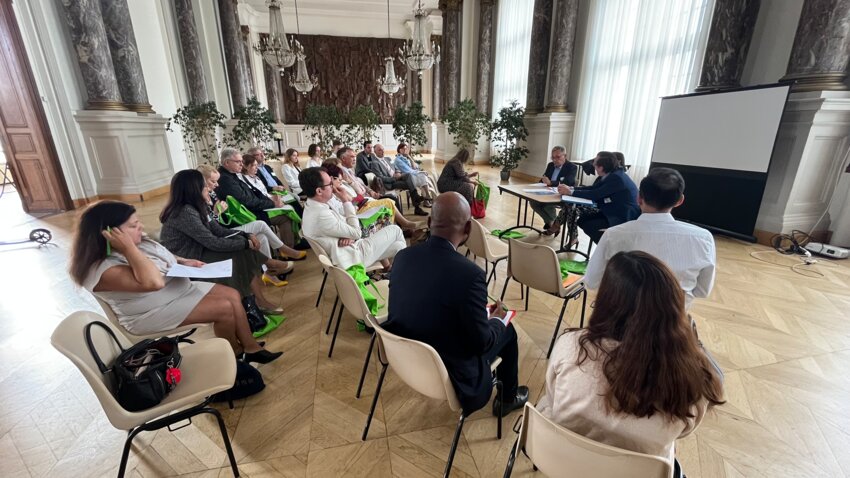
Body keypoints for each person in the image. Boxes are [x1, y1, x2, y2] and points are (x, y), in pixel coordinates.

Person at [537, 251, 724, 465]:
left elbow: (552, 395)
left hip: (561, 461)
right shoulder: (693, 377)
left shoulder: (570, 346)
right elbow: (684, 430)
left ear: (606, 300)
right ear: (673, 310)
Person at [69, 200, 282, 363]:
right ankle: (234, 354)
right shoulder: (103, 269)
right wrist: (128, 248)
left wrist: (182, 261)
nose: (140, 227)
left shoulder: (138, 244)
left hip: (176, 291)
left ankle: (251, 347)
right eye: (133, 225)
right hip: (149, 312)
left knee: (232, 294)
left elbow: (161, 256)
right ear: (109, 234)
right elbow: (154, 283)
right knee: (224, 308)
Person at [383, 192, 529, 416]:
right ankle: (507, 399)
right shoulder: (470, 275)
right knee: (507, 331)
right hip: (453, 376)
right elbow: (483, 344)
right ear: (468, 228)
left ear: (430, 222)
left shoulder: (403, 257)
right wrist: (497, 320)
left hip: (406, 360)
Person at [159, 170, 291, 313]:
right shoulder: (185, 212)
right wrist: (245, 243)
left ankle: (257, 298)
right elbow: (212, 242)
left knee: (241, 245)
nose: (209, 188)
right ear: (194, 190)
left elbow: (218, 230)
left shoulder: (198, 205)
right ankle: (261, 285)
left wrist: (245, 235)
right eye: (204, 186)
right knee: (240, 251)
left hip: (200, 249)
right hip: (187, 259)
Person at [583, 167, 715, 309]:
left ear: (639, 198)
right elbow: (702, 291)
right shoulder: (703, 238)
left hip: (622, 318)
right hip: (673, 320)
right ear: (679, 201)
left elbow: (592, 282)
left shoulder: (613, 235)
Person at [300, 167, 406, 270]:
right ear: (319, 191)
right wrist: (346, 201)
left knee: (399, 246)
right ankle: (404, 273)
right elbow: (356, 233)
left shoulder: (312, 206)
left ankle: (397, 273)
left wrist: (349, 235)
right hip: (352, 256)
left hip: (348, 250)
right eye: (330, 184)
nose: (333, 187)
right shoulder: (320, 215)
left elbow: (345, 227)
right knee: (395, 230)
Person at [197, 164, 306, 265]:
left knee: (262, 236)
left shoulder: (212, 193)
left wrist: (220, 211)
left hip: (231, 224)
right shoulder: (203, 197)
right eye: (213, 181)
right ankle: (284, 250)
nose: (217, 184)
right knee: (262, 224)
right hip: (227, 230)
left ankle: (267, 270)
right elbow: (212, 226)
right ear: (202, 181)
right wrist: (217, 213)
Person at [215, 147, 299, 249]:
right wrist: (272, 203)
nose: (241, 164)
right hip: (244, 216)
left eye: (241, 161)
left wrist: (272, 201)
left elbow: (253, 193)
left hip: (252, 209)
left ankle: (292, 245)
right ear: (227, 162)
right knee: (284, 217)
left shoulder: (231, 175)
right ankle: (288, 248)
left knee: (290, 206)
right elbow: (246, 201)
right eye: (238, 162)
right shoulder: (225, 179)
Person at [322, 162, 427, 239]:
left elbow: (358, 193)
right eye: (339, 179)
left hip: (362, 203)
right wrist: (354, 198)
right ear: (331, 178)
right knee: (388, 202)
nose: (341, 181)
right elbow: (350, 204)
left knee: (389, 202)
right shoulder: (335, 192)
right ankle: (401, 227)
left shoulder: (342, 185)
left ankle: (400, 228)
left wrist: (352, 186)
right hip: (358, 211)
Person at [557, 151, 639, 243]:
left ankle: (607, 246)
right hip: (609, 207)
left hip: (620, 216)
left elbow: (595, 194)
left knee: (586, 222)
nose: (593, 165)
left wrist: (570, 192)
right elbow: (593, 188)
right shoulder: (612, 174)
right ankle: (572, 236)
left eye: (595, 163)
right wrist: (571, 188)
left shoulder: (616, 178)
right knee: (577, 214)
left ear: (601, 167)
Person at [370, 143, 428, 216]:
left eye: (383, 149)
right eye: (380, 150)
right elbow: (381, 178)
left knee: (409, 175)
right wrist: (394, 178)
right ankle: (417, 206)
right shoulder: (374, 163)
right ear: (375, 152)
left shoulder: (388, 159)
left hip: (397, 177)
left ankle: (417, 202)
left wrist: (398, 172)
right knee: (410, 183)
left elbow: (396, 168)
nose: (383, 151)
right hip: (390, 183)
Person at [530, 146, 578, 235]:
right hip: (547, 192)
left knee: (546, 205)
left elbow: (568, 181)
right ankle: (552, 223)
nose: (555, 160)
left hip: (561, 194)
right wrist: (542, 182)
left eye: (558, 157)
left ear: (565, 156)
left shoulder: (572, 167)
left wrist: (551, 182)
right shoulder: (550, 165)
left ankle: (553, 225)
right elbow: (544, 178)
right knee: (533, 202)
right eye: (553, 157)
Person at [241, 151, 304, 217]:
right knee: (292, 202)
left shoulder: (267, 167)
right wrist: (273, 192)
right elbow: (260, 193)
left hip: (276, 192)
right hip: (271, 193)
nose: (262, 155)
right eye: (258, 154)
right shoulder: (254, 174)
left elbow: (276, 178)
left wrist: (282, 186)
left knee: (293, 199)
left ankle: (302, 219)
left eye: (262, 153)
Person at [338, 146, 402, 211]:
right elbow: (357, 192)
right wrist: (368, 195)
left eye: (355, 156)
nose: (354, 159)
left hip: (366, 197)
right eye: (352, 157)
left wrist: (371, 191)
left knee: (391, 198)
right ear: (343, 158)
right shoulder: (342, 175)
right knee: (390, 200)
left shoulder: (350, 171)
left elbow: (361, 185)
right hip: (362, 202)